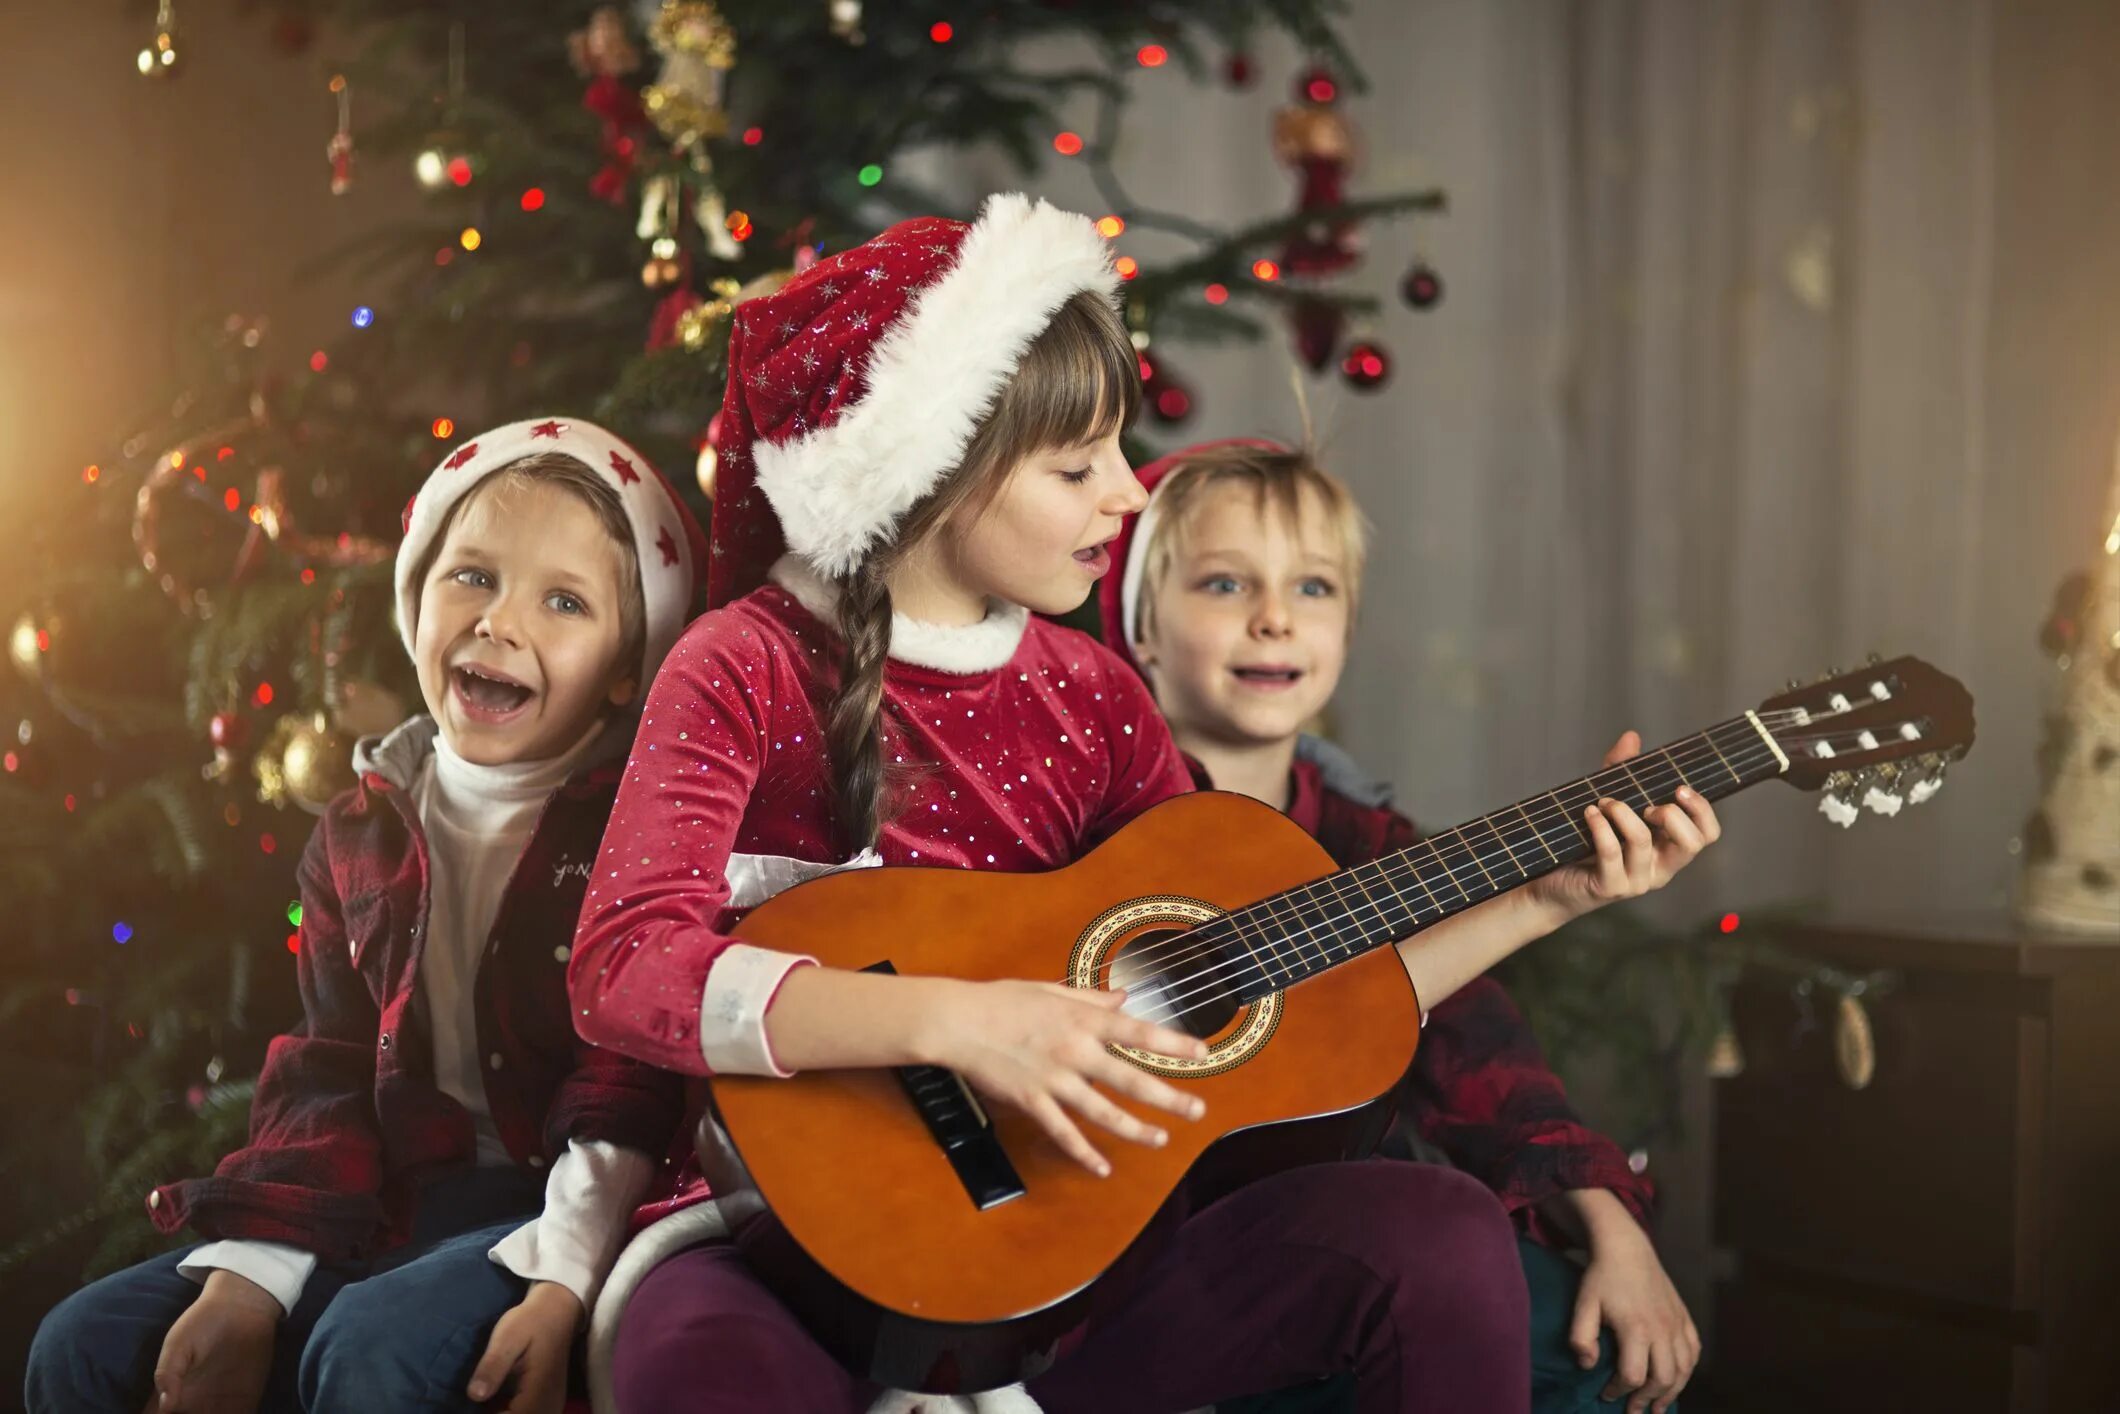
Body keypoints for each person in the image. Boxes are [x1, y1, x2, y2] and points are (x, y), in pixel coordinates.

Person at [570, 193, 1719, 1414]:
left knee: (1432, 1230)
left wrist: (1544, 897)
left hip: (1071, 1280)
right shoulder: (741, 663)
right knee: (689, 1367)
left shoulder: (1096, 698)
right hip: (777, 1250)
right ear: (932, 469)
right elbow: (624, 962)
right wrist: (957, 1026)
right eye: (1076, 467)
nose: (1124, 496)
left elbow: (1285, 1005)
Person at [27, 420, 702, 1414]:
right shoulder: (361, 825)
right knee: (80, 1345)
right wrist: (253, 1269)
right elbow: (328, 1060)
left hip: (561, 1204)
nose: (498, 622)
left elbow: (631, 1079)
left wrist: (565, 1273)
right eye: (470, 576)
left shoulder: (639, 829)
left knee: (372, 1354)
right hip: (395, 1191)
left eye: (562, 600)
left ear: (624, 662)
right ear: (415, 595)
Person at [1100, 437, 1701, 1414]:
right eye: (1221, 583)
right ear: (1141, 626)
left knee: (1599, 1353)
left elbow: (1480, 1056)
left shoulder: (1373, 843)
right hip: (1154, 1248)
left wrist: (1610, 1224)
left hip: (1350, 1237)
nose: (1272, 619)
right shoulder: (1096, 818)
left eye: (1312, 588)